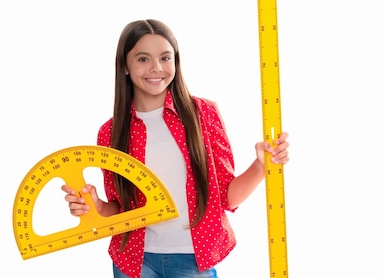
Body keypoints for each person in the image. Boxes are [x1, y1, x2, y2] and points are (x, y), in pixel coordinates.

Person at [60, 19, 290, 278]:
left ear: (176, 62)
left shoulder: (203, 114)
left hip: (194, 258)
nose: (156, 68)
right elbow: (120, 209)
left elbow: (227, 197)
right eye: (143, 59)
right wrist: (97, 206)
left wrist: (261, 166)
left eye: (165, 58)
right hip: (135, 260)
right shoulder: (110, 132)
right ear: (125, 66)